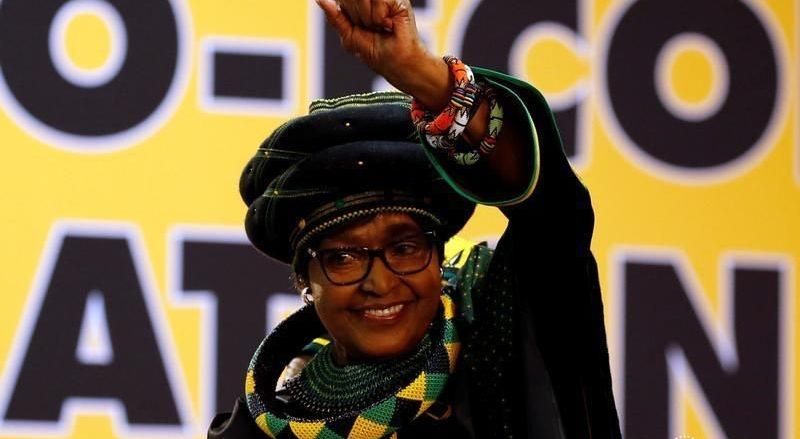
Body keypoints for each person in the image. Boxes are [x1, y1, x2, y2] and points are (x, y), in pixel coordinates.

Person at [208, 0, 621, 437]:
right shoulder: (258, 430)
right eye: (343, 257)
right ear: (304, 280)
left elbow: (555, 216)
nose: (380, 282)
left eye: (405, 247)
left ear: (439, 256)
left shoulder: (499, 344)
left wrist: (422, 75)